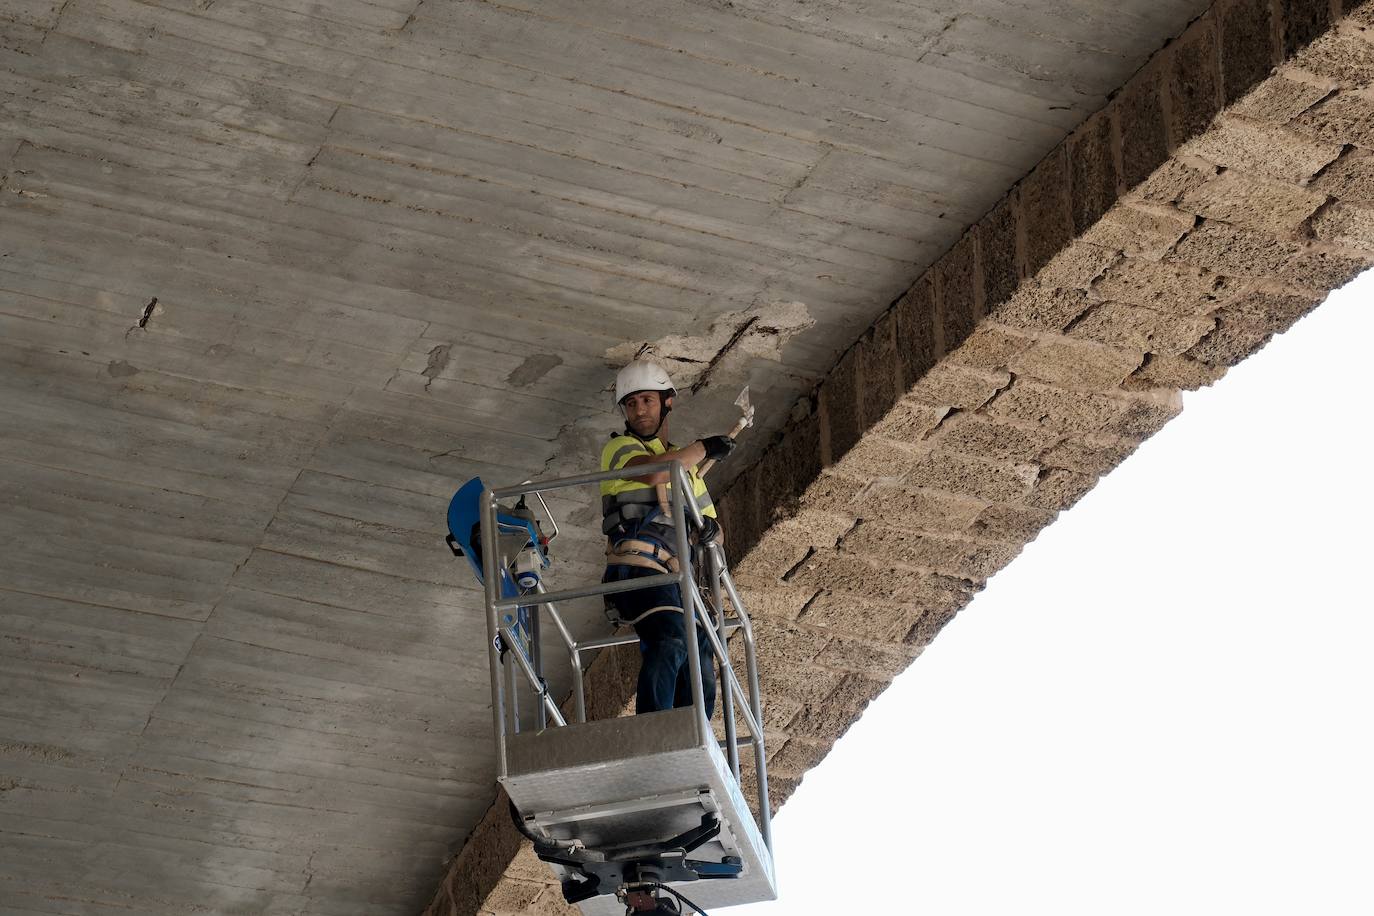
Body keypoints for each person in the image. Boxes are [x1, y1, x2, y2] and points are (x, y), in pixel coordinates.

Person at [599, 360, 737, 717]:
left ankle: (694, 735)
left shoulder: (689, 474)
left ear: (667, 403)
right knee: (670, 638)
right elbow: (656, 472)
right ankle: (656, 730)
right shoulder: (619, 449)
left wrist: (709, 534)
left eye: (647, 400)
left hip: (678, 579)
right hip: (637, 570)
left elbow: (714, 528)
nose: (639, 410)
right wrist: (703, 447)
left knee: (702, 657)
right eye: (631, 404)